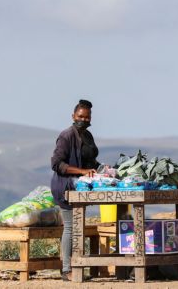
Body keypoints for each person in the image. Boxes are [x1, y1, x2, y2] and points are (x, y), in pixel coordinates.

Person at [50, 99, 100, 281]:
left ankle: (76, 267)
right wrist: (82, 172)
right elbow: (57, 164)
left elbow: (91, 162)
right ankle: (66, 270)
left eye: (87, 117)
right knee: (71, 227)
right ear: (73, 116)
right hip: (65, 187)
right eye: (80, 116)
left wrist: (102, 169)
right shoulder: (66, 136)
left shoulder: (87, 136)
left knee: (78, 227)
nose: (83, 120)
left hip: (80, 188)